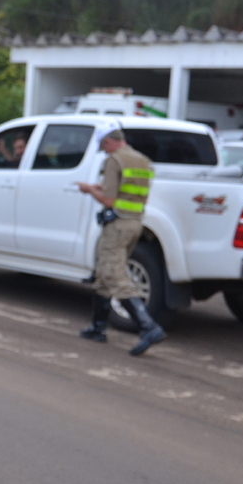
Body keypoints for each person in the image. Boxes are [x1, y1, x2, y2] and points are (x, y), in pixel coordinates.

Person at [75, 128, 166, 356]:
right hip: (135, 223)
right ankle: (98, 328)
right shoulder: (143, 161)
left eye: (103, 146)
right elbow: (139, 197)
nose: (103, 151)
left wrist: (88, 190)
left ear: (109, 142)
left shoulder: (115, 161)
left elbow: (108, 199)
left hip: (117, 226)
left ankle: (148, 327)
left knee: (115, 275)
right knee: (104, 273)